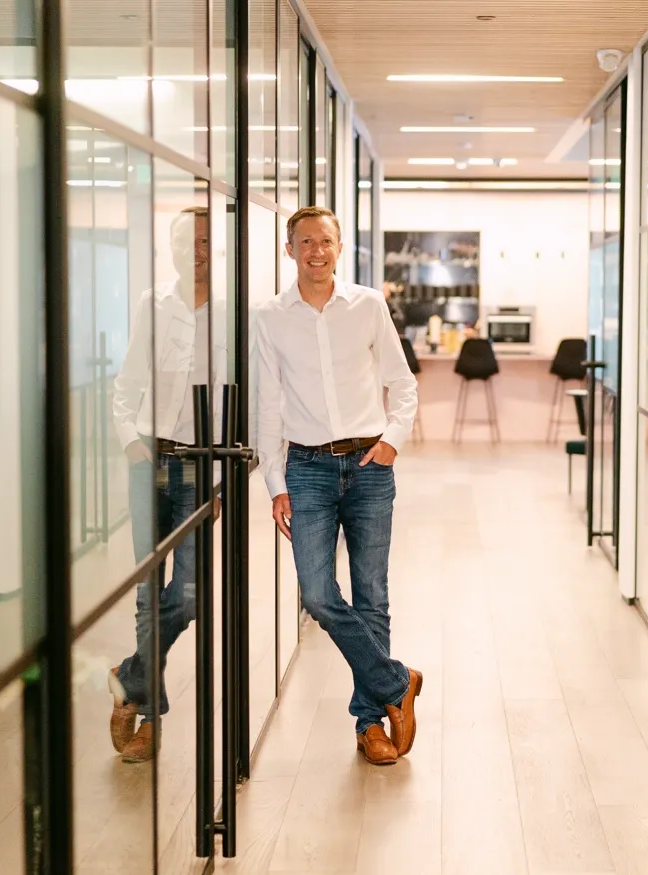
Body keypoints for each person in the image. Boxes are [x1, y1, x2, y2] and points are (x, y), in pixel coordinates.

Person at [252, 205, 422, 766]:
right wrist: (276, 483)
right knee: (319, 594)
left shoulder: (368, 306)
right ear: (289, 249)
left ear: (339, 246)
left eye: (325, 240)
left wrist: (394, 438)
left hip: (370, 464)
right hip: (307, 469)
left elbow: (402, 382)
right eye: (305, 242)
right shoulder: (270, 317)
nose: (316, 251)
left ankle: (368, 723)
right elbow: (268, 408)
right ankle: (397, 682)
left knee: (372, 596)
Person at [107, 205, 225, 763]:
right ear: (172, 247)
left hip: (199, 467)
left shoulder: (233, 311)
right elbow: (127, 383)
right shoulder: (151, 305)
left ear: (215, 248)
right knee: (148, 592)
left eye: (205, 241)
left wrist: (224, 473)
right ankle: (150, 716)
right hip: (149, 462)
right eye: (186, 241)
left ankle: (131, 677)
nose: (196, 250)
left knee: (191, 592)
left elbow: (241, 399)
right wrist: (131, 441)